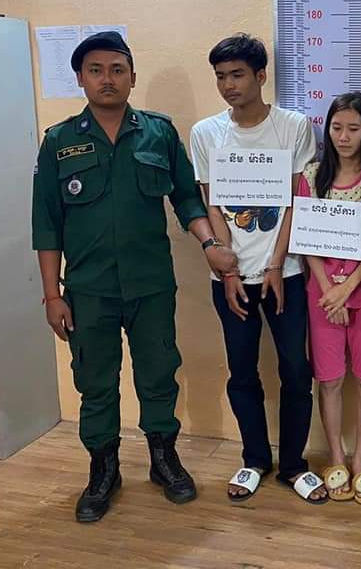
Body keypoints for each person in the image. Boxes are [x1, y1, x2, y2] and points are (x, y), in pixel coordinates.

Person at [32, 31, 238, 522]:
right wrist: (51, 295)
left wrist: (210, 244)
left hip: (150, 286)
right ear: (80, 78)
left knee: (158, 373)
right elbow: (46, 223)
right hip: (88, 290)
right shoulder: (59, 142)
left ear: (132, 77)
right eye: (96, 70)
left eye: (117, 69)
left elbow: (186, 198)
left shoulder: (158, 133)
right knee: (95, 381)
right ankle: (103, 469)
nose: (107, 79)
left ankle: (164, 460)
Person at [189, 33, 328, 504]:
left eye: (238, 75)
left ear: (261, 76)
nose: (229, 85)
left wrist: (275, 263)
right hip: (230, 278)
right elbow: (211, 202)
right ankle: (253, 459)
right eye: (221, 77)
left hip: (285, 274)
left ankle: (293, 465)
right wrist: (228, 271)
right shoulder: (206, 132)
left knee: (296, 370)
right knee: (242, 371)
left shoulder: (293, 126)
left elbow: (295, 201)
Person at [296, 91, 361, 505]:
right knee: (329, 380)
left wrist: (348, 287)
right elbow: (305, 238)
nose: (344, 136)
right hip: (322, 297)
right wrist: (329, 288)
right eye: (336, 128)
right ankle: (335, 457)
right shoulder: (312, 175)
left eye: (353, 128)